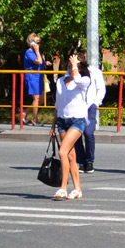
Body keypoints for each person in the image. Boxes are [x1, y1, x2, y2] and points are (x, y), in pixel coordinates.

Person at [53, 50, 91, 200]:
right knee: (70, 156)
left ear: (80, 67)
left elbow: (79, 80)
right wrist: (53, 125)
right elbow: (58, 104)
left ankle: (63, 188)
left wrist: (76, 68)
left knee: (62, 152)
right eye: (69, 65)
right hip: (63, 120)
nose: (70, 68)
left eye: (74, 65)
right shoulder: (60, 81)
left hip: (77, 120)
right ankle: (77, 189)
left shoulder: (84, 80)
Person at [73, 51, 105, 173]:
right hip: (75, 107)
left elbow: (101, 89)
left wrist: (96, 103)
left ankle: (89, 161)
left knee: (88, 132)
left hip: (89, 107)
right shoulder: (70, 72)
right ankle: (81, 161)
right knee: (76, 134)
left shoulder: (94, 72)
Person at [23, 32, 48, 125]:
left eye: (39, 42)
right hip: (32, 77)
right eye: (37, 43)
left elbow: (42, 62)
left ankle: (24, 113)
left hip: (39, 77)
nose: (39, 45)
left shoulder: (38, 52)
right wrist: (37, 52)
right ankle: (35, 119)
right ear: (31, 43)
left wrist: (46, 62)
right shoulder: (29, 52)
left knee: (41, 99)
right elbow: (38, 61)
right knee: (36, 98)